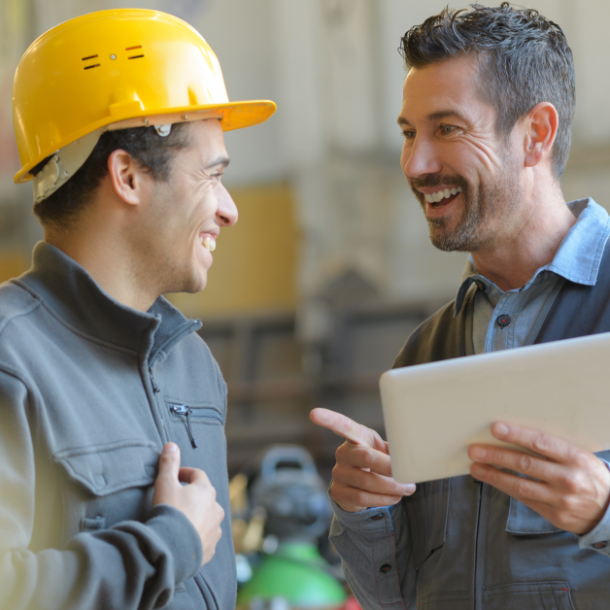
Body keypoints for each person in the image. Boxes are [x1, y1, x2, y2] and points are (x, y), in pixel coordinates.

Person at [311, 4, 610, 609]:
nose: (416, 164)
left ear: (536, 135)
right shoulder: (424, 355)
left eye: (446, 128)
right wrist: (363, 513)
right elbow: (394, 600)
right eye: (408, 133)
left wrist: (603, 513)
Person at [1, 9, 275, 610]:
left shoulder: (193, 366)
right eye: (211, 174)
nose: (229, 210)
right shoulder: (10, 360)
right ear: (126, 175)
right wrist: (167, 546)